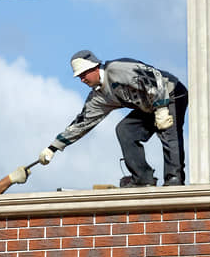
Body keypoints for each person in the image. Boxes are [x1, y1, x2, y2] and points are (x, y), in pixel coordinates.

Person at [38, 50, 188, 187]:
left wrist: (161, 108)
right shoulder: (99, 96)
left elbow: (153, 77)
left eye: (84, 74)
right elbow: (82, 123)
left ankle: (174, 179)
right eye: (79, 77)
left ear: (94, 67)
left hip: (170, 94)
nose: (82, 79)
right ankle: (142, 179)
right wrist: (54, 147)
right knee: (125, 130)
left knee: (168, 131)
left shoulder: (117, 69)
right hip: (148, 106)